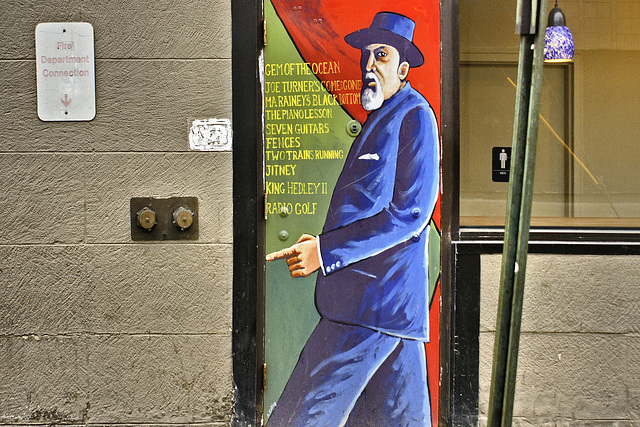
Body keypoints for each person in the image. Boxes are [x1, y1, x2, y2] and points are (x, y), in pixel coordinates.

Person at [266, 11, 440, 426]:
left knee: (299, 417)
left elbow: (410, 214)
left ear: (402, 68)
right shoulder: (381, 118)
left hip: (369, 307)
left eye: (381, 54)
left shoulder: (414, 116)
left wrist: (326, 251)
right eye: (366, 55)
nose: (369, 65)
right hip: (391, 312)